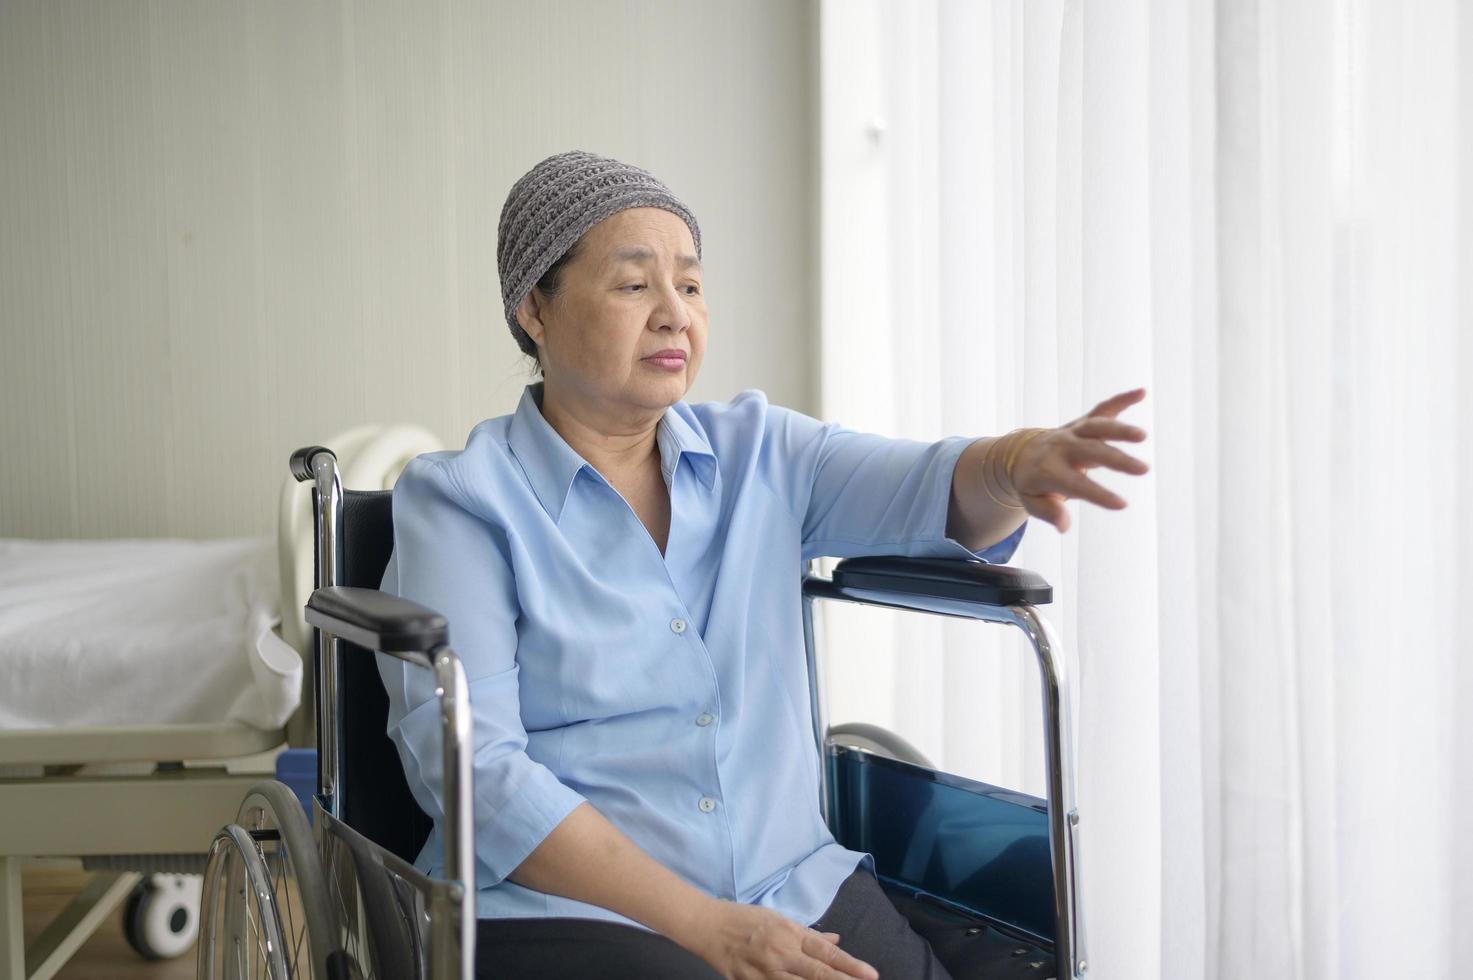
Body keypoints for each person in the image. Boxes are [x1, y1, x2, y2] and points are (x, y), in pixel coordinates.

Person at [378, 150, 1149, 980]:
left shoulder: (762, 453)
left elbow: (931, 486)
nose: (675, 315)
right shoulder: (462, 502)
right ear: (535, 309)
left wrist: (1014, 466)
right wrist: (707, 926)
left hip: (793, 885)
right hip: (566, 910)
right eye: (635, 285)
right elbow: (480, 778)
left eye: (692, 285)